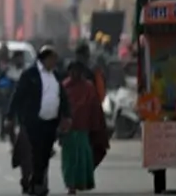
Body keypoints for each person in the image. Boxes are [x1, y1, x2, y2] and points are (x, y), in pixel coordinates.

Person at [6, 45, 71, 196]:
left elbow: (62, 97)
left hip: (51, 122)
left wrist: (67, 115)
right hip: (33, 122)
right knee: (34, 154)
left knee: (45, 154)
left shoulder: (55, 76)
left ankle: (38, 181)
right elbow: (17, 96)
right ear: (45, 59)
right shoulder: (30, 75)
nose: (55, 62)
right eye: (53, 59)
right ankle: (36, 184)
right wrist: (10, 116)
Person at [60, 62, 109, 194]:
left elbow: (94, 107)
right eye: (72, 71)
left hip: (83, 128)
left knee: (82, 158)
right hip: (68, 129)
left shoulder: (88, 87)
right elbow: (59, 107)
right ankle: (70, 184)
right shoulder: (64, 87)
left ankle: (80, 182)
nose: (75, 74)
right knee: (69, 159)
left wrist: (96, 126)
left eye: (77, 71)